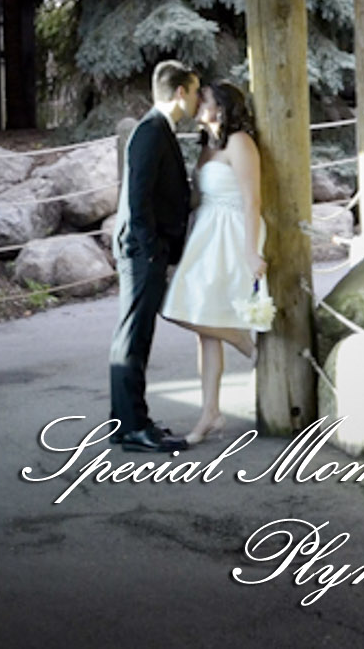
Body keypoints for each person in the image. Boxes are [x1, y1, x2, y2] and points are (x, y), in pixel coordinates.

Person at [161, 80, 266, 445]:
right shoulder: (207, 146)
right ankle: (210, 413)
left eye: (202, 99)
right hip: (205, 230)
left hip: (233, 231)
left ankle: (250, 347)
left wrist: (252, 251)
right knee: (195, 319)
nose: (196, 104)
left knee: (199, 316)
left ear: (219, 108)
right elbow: (195, 197)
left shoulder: (240, 143)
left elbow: (252, 200)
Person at [108, 59, 200, 452]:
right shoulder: (149, 131)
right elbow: (137, 196)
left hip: (148, 249)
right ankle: (132, 428)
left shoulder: (159, 128)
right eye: (195, 91)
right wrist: (149, 251)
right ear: (181, 92)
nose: (197, 100)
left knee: (136, 335)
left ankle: (128, 421)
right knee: (133, 337)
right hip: (141, 252)